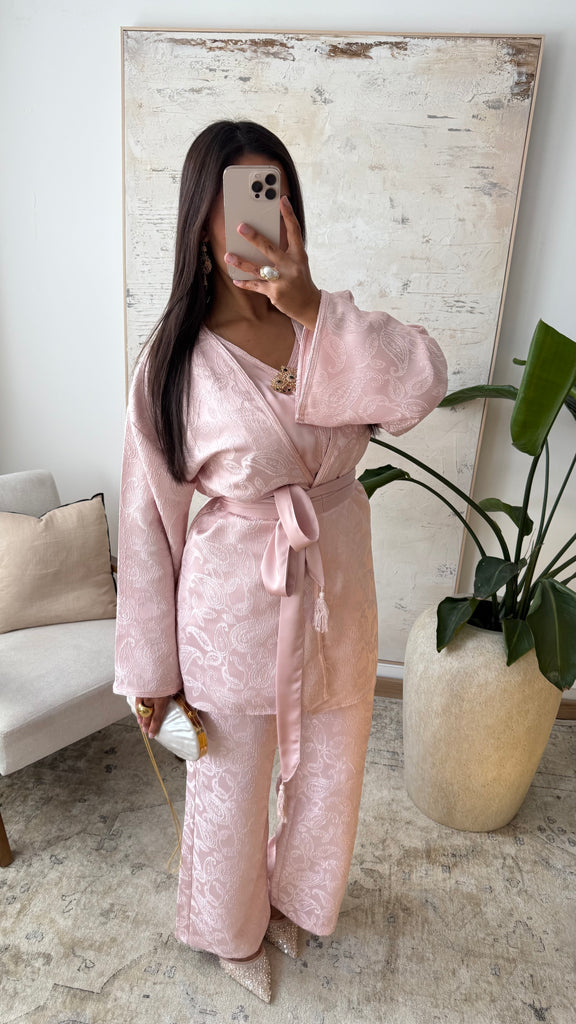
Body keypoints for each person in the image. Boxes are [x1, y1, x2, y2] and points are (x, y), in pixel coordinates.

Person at [114, 120, 447, 1003]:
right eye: (237, 202)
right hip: (232, 610)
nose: (256, 220)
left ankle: (298, 903)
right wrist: (151, 674)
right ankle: (228, 931)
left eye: (274, 196)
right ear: (201, 220)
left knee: (333, 771)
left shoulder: (328, 329)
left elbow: (422, 382)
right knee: (229, 785)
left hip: (338, 592)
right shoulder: (173, 364)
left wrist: (311, 309)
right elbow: (145, 524)